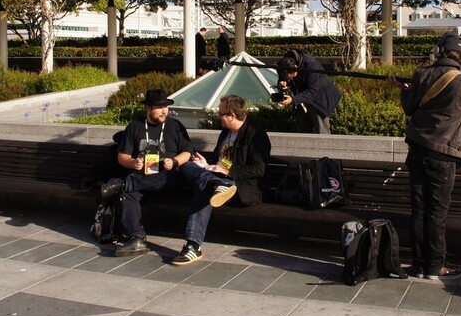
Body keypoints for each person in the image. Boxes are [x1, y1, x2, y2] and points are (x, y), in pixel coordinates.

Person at [390, 33, 461, 280]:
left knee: (418, 210)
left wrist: (404, 91)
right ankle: (436, 267)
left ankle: (418, 264)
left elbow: (409, 108)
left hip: (417, 151)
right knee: (436, 213)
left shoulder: (421, 74)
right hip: (443, 156)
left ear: (438, 51)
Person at [99, 88, 238, 260]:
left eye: (165, 106)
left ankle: (123, 184)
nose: (164, 110)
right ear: (148, 108)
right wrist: (133, 162)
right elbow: (122, 156)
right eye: (159, 107)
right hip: (141, 176)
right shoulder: (135, 126)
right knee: (127, 194)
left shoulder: (174, 126)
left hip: (167, 177)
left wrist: (174, 161)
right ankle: (136, 238)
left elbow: (188, 152)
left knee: (130, 184)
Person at [181, 95, 271, 264]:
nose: (218, 117)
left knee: (204, 190)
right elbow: (219, 161)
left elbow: (259, 168)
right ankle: (214, 183)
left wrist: (227, 171)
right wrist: (206, 165)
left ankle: (193, 245)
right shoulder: (225, 133)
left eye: (221, 114)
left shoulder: (255, 134)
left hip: (239, 187)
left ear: (232, 115)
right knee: (186, 165)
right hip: (218, 178)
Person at [274, 49, 343, 135]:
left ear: (295, 67)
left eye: (291, 77)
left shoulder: (311, 64)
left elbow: (312, 90)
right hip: (301, 98)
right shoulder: (284, 64)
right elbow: (284, 78)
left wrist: (293, 100)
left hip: (320, 99)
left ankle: (325, 148)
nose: (291, 79)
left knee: (321, 132)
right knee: (303, 131)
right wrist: (283, 83)